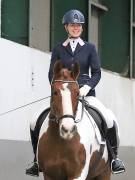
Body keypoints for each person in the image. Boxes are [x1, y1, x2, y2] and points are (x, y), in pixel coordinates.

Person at [26, 9, 125, 177]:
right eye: (73, 25)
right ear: (66, 27)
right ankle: (36, 161)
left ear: (82, 28)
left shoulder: (89, 48)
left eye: (79, 25)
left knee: (108, 119)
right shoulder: (58, 48)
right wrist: (58, 87)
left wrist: (87, 86)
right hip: (63, 93)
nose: (76, 28)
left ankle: (114, 158)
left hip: (86, 93)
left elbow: (97, 72)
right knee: (35, 120)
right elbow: (52, 73)